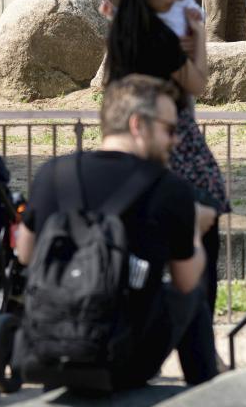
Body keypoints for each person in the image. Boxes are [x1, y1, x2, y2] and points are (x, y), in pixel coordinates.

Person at [15, 74, 218, 387]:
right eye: (170, 129)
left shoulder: (53, 174)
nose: (175, 140)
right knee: (192, 298)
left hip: (49, 347)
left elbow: (25, 254)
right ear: (138, 124)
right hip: (122, 358)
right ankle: (205, 395)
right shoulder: (169, 190)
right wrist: (193, 224)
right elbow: (187, 279)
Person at [104, 0, 230, 319]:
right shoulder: (158, 35)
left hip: (130, 141)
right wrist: (200, 36)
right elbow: (198, 82)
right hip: (170, 137)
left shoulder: (121, 30)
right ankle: (200, 333)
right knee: (202, 223)